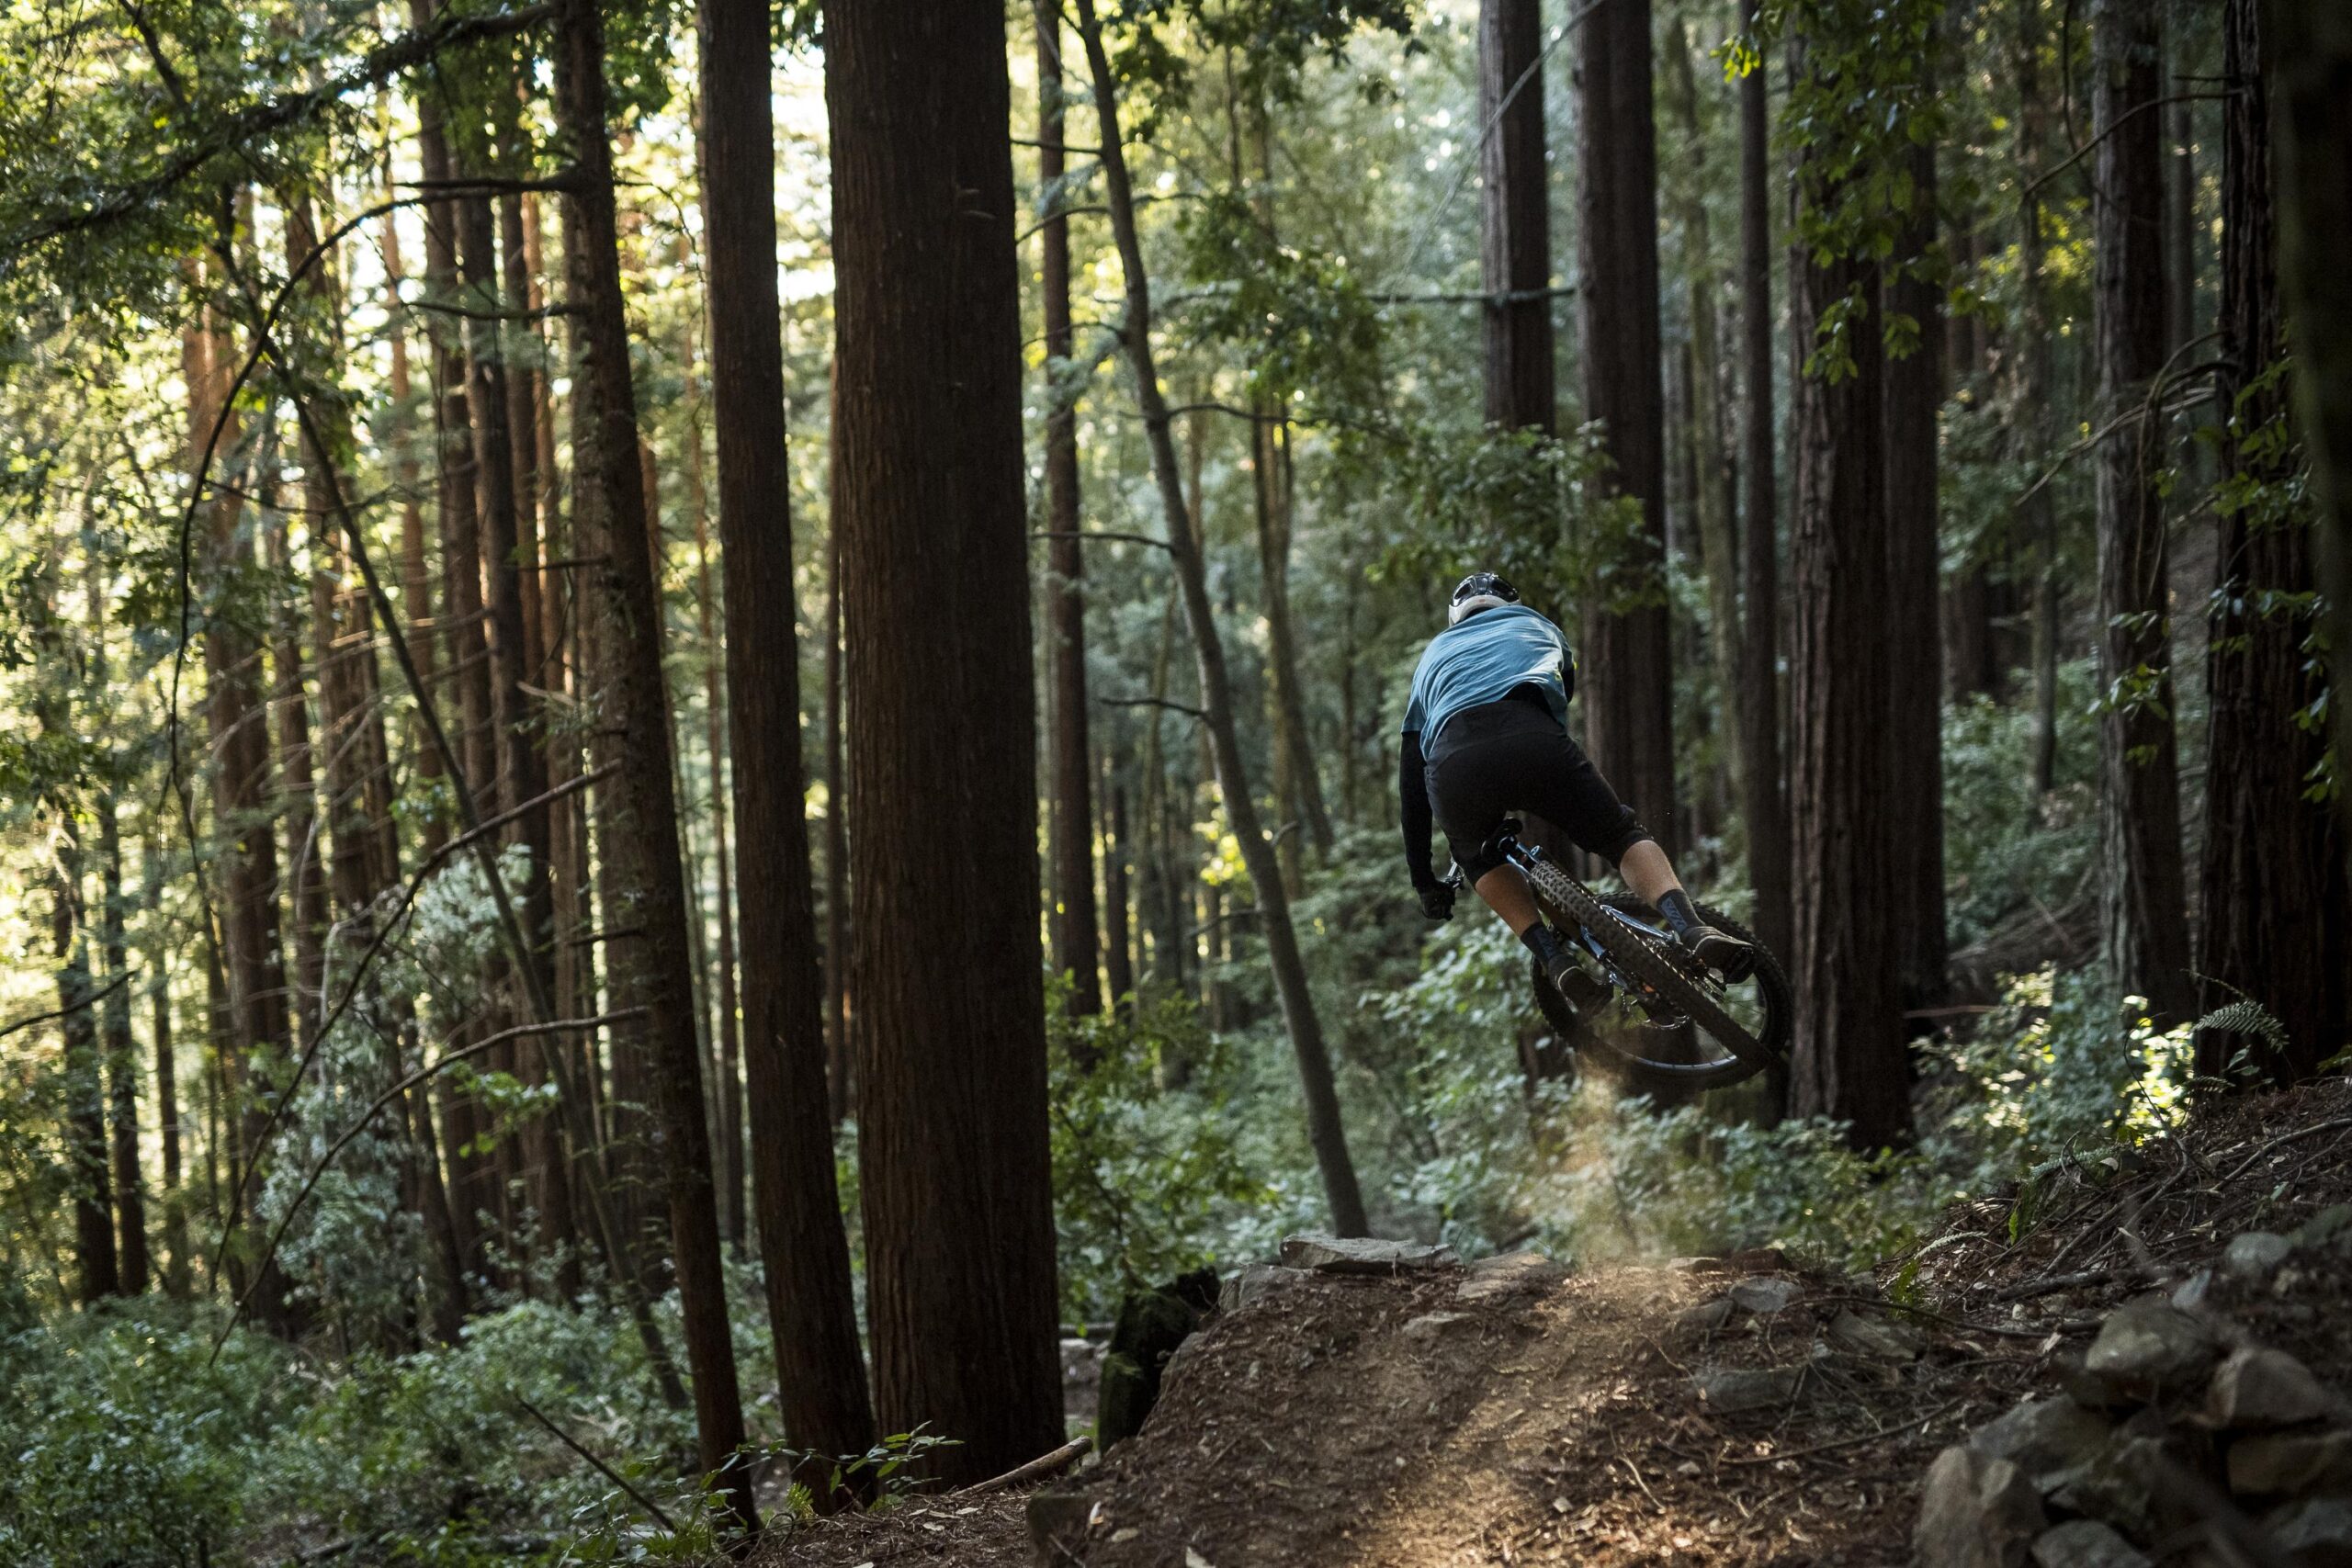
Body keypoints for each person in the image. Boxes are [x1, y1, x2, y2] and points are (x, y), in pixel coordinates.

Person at [1399, 571, 1753, 997]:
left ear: (1456, 619)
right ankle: (1692, 928)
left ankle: (1555, 961)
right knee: (1619, 835)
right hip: (1531, 738)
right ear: (1508, 605)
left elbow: (1411, 782)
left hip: (1452, 762)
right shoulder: (1537, 624)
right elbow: (1560, 691)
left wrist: (1424, 881)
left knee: (1480, 861)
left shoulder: (1430, 660)